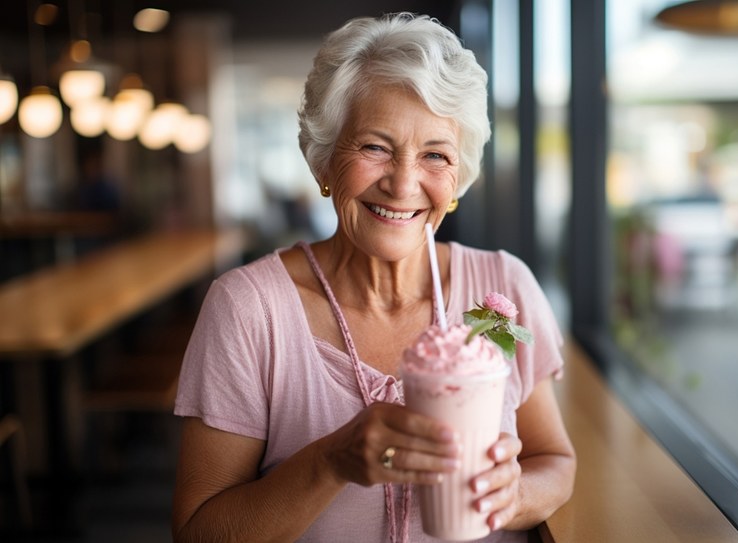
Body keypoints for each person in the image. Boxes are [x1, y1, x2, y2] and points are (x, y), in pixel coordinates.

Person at [172, 12, 575, 543]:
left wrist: (514, 495)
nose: (403, 185)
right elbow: (199, 531)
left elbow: (554, 460)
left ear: (458, 177)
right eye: (374, 147)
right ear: (323, 162)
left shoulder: (502, 287)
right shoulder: (248, 309)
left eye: (435, 155)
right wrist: (330, 462)